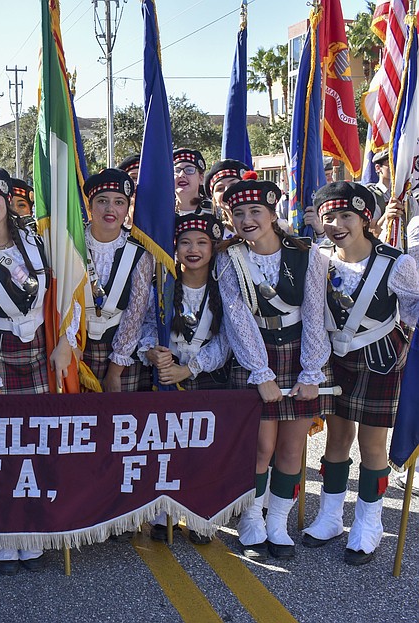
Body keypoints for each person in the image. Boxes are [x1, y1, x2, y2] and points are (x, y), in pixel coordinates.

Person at [0, 164, 78, 575]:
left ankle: (34, 527)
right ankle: (3, 530)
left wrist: (66, 342)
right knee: (1, 450)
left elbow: (68, 290)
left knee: (38, 444)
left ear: (7, 199)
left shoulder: (36, 243)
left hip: (42, 351)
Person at [301, 182, 419, 565]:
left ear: (366, 218)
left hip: (380, 359)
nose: (337, 224)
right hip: (334, 359)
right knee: (336, 438)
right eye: (328, 216)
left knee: (372, 446)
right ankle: (331, 517)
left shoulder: (397, 262)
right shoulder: (318, 258)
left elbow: (414, 308)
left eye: (346, 215)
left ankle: (369, 523)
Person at [217, 178, 330, 561]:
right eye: (238, 213)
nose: (247, 220)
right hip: (256, 355)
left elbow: (315, 314)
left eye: (255, 211)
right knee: (260, 448)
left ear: (271, 213)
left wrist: (312, 371)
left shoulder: (307, 254)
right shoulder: (229, 258)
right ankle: (252, 517)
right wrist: (260, 373)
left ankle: (278, 522)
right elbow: (237, 319)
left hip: (300, 354)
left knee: (291, 449)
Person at [141, 212, 231, 544]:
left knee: (204, 450)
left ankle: (201, 511)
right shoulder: (162, 286)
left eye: (202, 242)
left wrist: (190, 368)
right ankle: (164, 511)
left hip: (207, 377)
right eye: (185, 242)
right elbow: (146, 325)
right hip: (166, 375)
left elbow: (228, 339)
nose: (193, 249)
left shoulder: (225, 287)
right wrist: (151, 351)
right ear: (174, 248)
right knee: (166, 447)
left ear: (213, 247)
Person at [81, 168, 152, 393]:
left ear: (127, 209)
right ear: (90, 206)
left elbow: (135, 313)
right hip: (76, 350)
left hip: (119, 353)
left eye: (119, 202)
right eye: (102, 201)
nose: (111, 209)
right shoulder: (72, 244)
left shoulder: (140, 253)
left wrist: (115, 370)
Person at [205, 159, 249, 236]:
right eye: (220, 189)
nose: (227, 191)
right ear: (215, 200)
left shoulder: (270, 226)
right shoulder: (214, 236)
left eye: (233, 185)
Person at [173, 148, 211, 216]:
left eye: (189, 170)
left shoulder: (214, 212)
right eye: (177, 171)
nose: (181, 175)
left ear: (201, 178)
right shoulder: (162, 212)